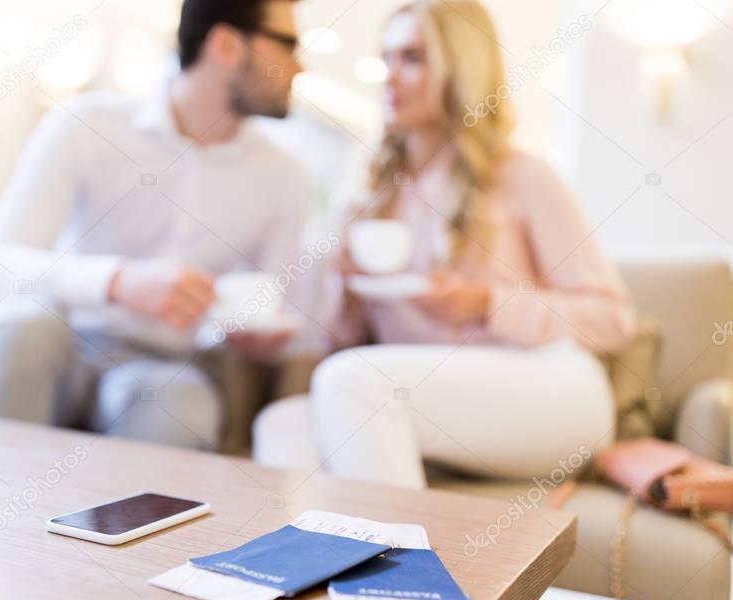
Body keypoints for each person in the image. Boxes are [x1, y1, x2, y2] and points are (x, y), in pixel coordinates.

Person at [253, 0, 636, 488]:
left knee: (350, 381)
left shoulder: (521, 176)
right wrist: (345, 290)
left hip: (550, 386)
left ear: (461, 69)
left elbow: (613, 321)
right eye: (387, 58)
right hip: (429, 401)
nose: (388, 76)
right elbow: (341, 346)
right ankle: (316, 562)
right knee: (283, 423)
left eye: (412, 58)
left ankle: (404, 563)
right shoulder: (369, 199)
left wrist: (486, 303)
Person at [0, 0, 308, 451]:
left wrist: (259, 336)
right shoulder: (87, 124)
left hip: (162, 366)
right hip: (62, 336)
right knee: (22, 326)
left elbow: (281, 311)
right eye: (288, 45)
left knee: (181, 406)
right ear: (225, 44)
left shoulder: (283, 177)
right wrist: (119, 282)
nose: (300, 66)